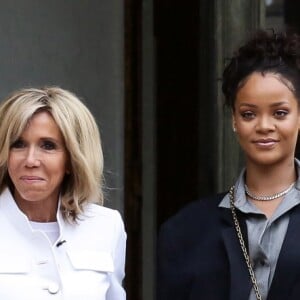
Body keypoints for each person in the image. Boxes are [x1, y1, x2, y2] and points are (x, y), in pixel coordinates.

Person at [157, 29, 300, 300]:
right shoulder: (184, 231)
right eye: (249, 114)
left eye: (280, 113)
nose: (264, 126)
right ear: (234, 120)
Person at [0, 87, 126, 300]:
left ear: (72, 159)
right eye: (18, 144)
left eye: (48, 146)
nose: (30, 160)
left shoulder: (106, 226)